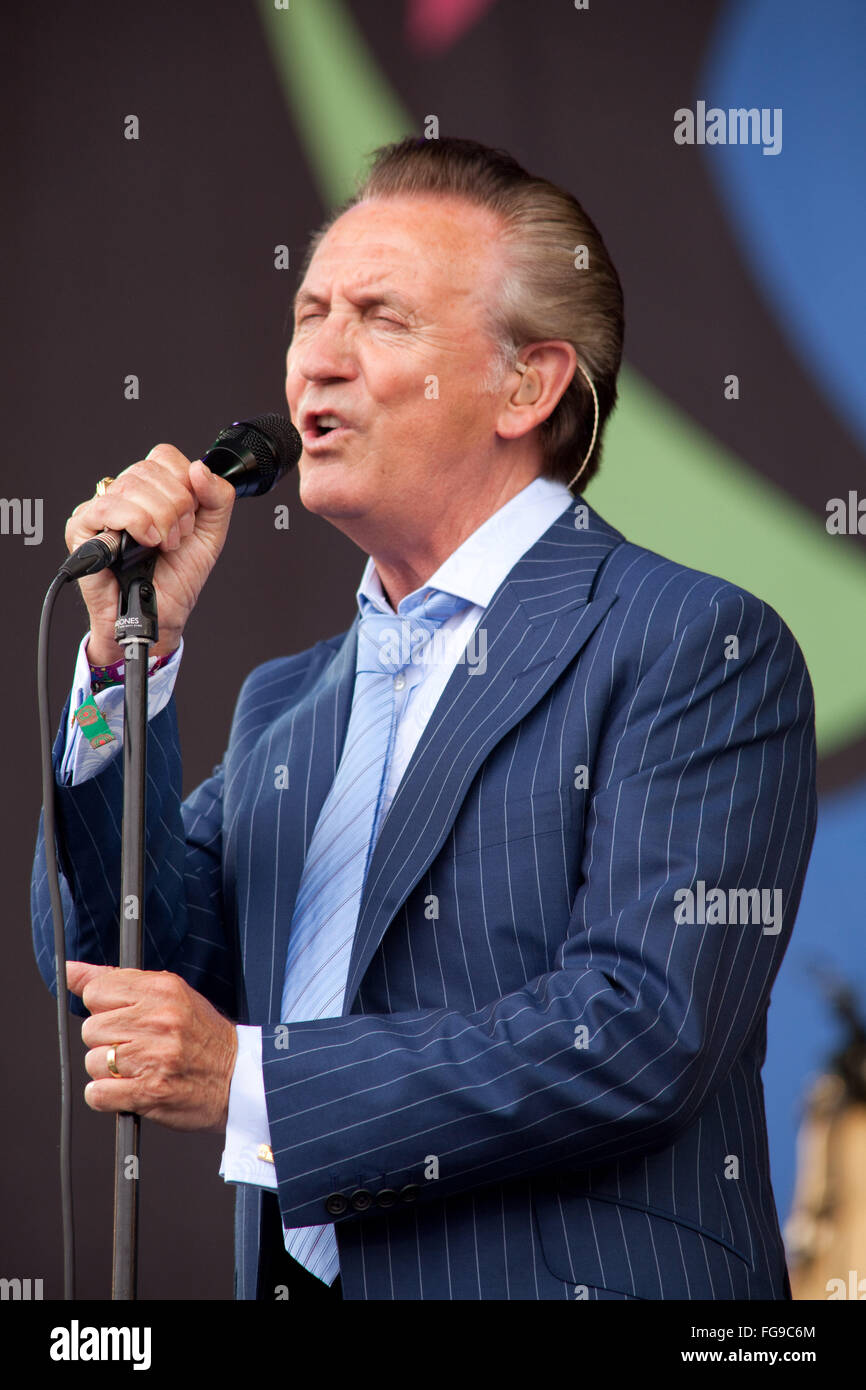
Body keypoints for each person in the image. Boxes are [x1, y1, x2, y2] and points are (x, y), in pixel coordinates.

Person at [32, 136, 817, 1301]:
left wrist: (250, 1081)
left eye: (381, 319)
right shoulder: (287, 706)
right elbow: (111, 963)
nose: (316, 365)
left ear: (526, 384)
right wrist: (121, 661)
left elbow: (637, 1030)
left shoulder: (693, 643)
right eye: (310, 311)